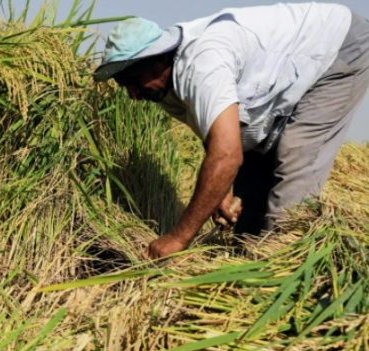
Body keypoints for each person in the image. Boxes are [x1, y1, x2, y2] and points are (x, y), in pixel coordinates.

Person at [94, 3, 369, 260]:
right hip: (284, 75)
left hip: (336, 47)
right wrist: (221, 188)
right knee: (249, 189)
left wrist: (178, 238)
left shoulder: (203, 63)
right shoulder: (163, 87)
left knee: (294, 166)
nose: (132, 94)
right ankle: (246, 262)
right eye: (124, 86)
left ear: (160, 56)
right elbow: (216, 137)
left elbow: (226, 156)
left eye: (133, 81)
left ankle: (282, 270)